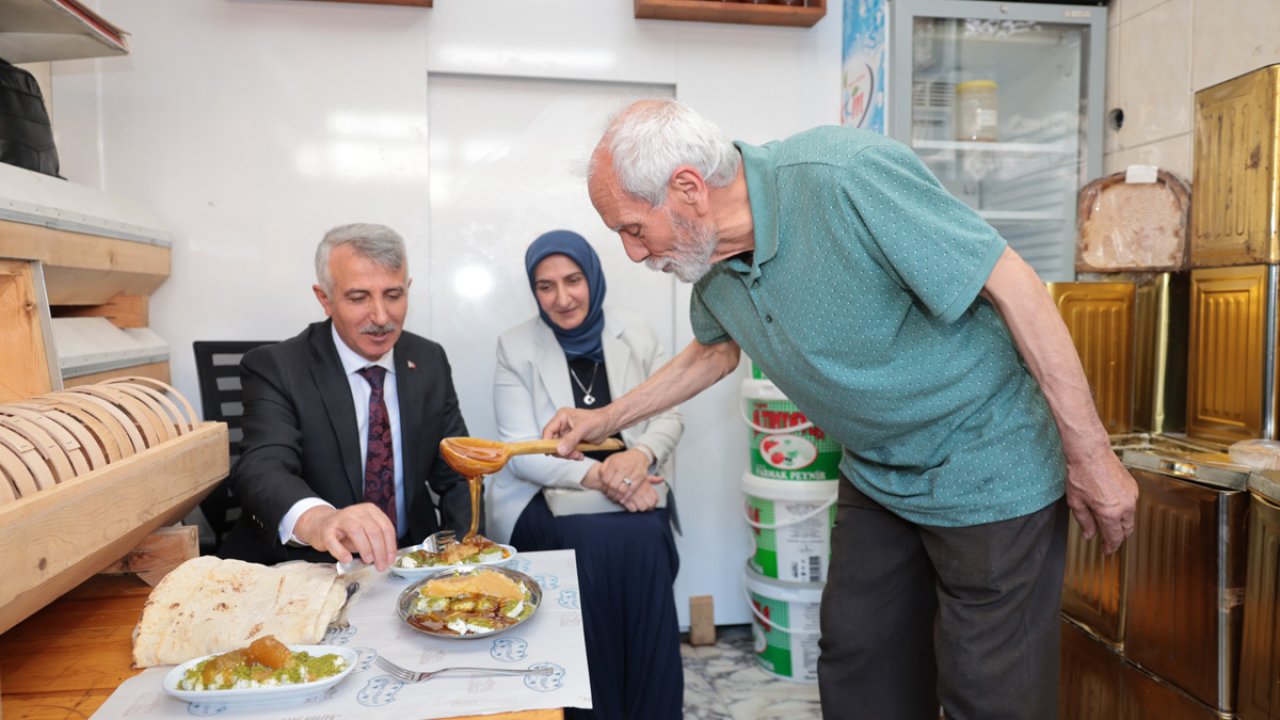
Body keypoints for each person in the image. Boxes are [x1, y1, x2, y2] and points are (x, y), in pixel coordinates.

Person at [543, 99, 1140, 720]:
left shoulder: (843, 176)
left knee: (990, 691)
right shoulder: (709, 256)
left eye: (633, 229)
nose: (633, 254)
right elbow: (715, 351)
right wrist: (605, 419)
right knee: (860, 664)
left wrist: (1092, 455)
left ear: (688, 189)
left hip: (988, 459)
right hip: (879, 473)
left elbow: (1014, 285)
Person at [489, 229, 684, 720]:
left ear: (592, 278)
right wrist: (605, 478)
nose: (562, 298)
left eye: (573, 280)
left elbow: (670, 416)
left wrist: (638, 459)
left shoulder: (636, 331)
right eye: (546, 286)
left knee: (644, 539)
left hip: (636, 483)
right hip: (546, 493)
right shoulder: (516, 346)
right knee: (587, 544)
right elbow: (521, 452)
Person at [219, 223, 476, 571]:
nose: (381, 317)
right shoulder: (277, 367)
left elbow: (457, 471)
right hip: (309, 565)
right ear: (324, 298)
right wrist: (319, 520)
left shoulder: (429, 360)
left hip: (407, 560)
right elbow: (262, 467)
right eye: (358, 298)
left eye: (393, 295)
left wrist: (461, 557)